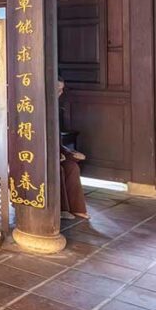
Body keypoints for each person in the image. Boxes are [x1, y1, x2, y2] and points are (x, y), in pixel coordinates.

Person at [58, 80, 89, 220]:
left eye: (62, 89)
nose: (60, 92)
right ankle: (61, 208)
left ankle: (76, 208)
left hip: (55, 154)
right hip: (37, 158)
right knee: (58, 170)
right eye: (57, 89)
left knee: (72, 167)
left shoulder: (56, 108)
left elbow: (55, 141)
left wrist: (67, 153)